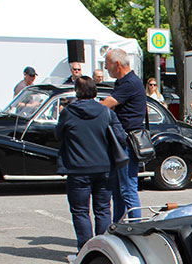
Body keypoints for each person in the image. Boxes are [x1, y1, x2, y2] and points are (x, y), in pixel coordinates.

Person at [55, 76, 126, 253]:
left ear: (77, 92)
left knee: (80, 211)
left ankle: (85, 249)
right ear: (95, 90)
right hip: (104, 167)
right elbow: (121, 138)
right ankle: (104, 249)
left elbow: (58, 135)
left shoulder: (68, 112)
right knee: (103, 210)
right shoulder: (106, 112)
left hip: (78, 169)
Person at [100, 48, 147, 221]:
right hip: (121, 140)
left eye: (107, 65)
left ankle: (135, 228)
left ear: (117, 64)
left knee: (127, 189)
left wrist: (88, 108)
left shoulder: (130, 83)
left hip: (127, 142)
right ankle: (119, 227)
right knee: (119, 189)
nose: (106, 69)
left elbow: (107, 104)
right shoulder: (124, 82)